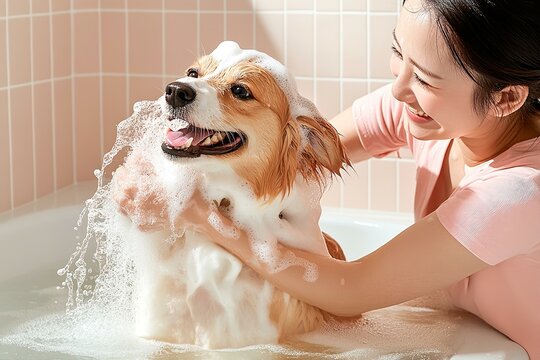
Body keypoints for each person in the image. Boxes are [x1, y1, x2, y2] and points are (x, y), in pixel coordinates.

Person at [114, 0, 540, 357]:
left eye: (425, 78)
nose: (397, 90)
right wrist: (171, 174)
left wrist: (202, 217)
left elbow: (350, 289)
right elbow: (296, 155)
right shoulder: (432, 115)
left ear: (506, 97)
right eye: (400, 55)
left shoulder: (519, 191)